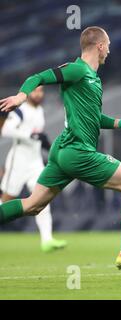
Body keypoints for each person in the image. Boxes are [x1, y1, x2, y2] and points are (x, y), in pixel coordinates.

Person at [0, 26, 121, 274]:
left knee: (32, 206)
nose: (110, 51)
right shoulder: (77, 69)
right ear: (100, 46)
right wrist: (21, 96)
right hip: (77, 151)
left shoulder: (93, 79)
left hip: (62, 151)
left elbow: (96, 118)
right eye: (109, 46)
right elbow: (38, 77)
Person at [0, 86, 67, 252]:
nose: (39, 94)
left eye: (41, 91)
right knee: (6, 199)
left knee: (42, 196)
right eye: (36, 91)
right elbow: (6, 130)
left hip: (35, 161)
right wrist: (31, 135)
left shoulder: (40, 110)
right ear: (28, 93)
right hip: (18, 161)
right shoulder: (20, 110)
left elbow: (38, 135)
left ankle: (47, 239)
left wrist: (44, 143)